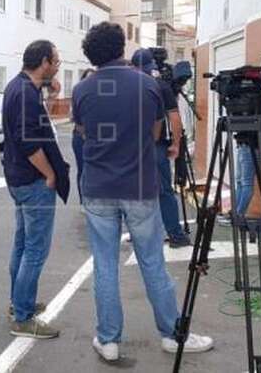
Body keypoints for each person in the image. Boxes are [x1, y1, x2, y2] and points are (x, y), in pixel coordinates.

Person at [73, 23, 213, 361]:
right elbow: (155, 130)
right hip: (138, 186)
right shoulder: (148, 85)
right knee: (152, 261)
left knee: (105, 265)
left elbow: (81, 130)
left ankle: (108, 340)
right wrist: (153, 145)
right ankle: (171, 334)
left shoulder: (82, 90)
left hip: (97, 188)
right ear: (122, 47)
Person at [2, 39, 70, 339]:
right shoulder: (26, 95)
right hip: (32, 180)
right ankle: (23, 317)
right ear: (44, 61)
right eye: (55, 61)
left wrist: (50, 87)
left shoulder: (18, 86)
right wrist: (50, 175)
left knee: (22, 243)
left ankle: (18, 303)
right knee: (35, 249)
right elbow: (30, 144)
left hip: (17, 178)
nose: (57, 66)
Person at [131, 48, 192, 248]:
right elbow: (175, 118)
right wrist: (176, 144)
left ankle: (139, 233)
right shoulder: (161, 86)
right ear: (152, 67)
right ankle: (175, 234)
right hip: (156, 146)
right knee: (164, 191)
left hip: (131, 147)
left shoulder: (125, 87)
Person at [72, 68, 96, 201]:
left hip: (94, 137)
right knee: (82, 169)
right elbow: (75, 119)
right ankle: (83, 200)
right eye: (87, 78)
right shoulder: (79, 94)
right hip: (80, 138)